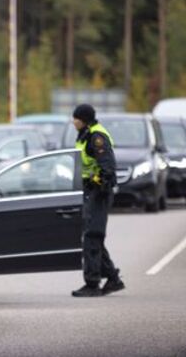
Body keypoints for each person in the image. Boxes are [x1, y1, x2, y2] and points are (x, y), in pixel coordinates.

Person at [71, 104, 125, 297]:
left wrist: (96, 185)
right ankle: (112, 278)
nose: (73, 121)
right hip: (90, 191)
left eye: (76, 118)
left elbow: (108, 168)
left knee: (92, 236)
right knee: (93, 236)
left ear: (83, 119)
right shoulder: (86, 134)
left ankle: (92, 284)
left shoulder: (96, 137)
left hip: (99, 192)